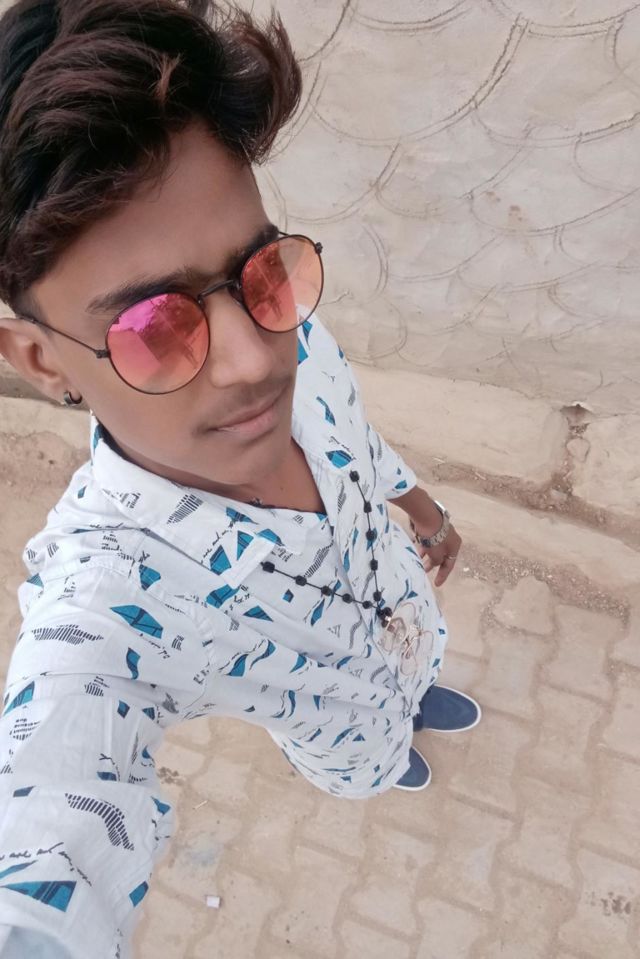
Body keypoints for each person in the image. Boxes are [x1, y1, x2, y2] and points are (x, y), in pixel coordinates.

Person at [0, 1, 481, 956]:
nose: (257, 359)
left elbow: (359, 439)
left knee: (425, 670)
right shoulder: (105, 604)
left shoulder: (291, 329)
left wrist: (424, 512)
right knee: (381, 760)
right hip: (343, 740)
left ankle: (423, 695)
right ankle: (394, 759)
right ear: (42, 361)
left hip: (412, 614)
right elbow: (49, 813)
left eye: (259, 270)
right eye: (154, 326)